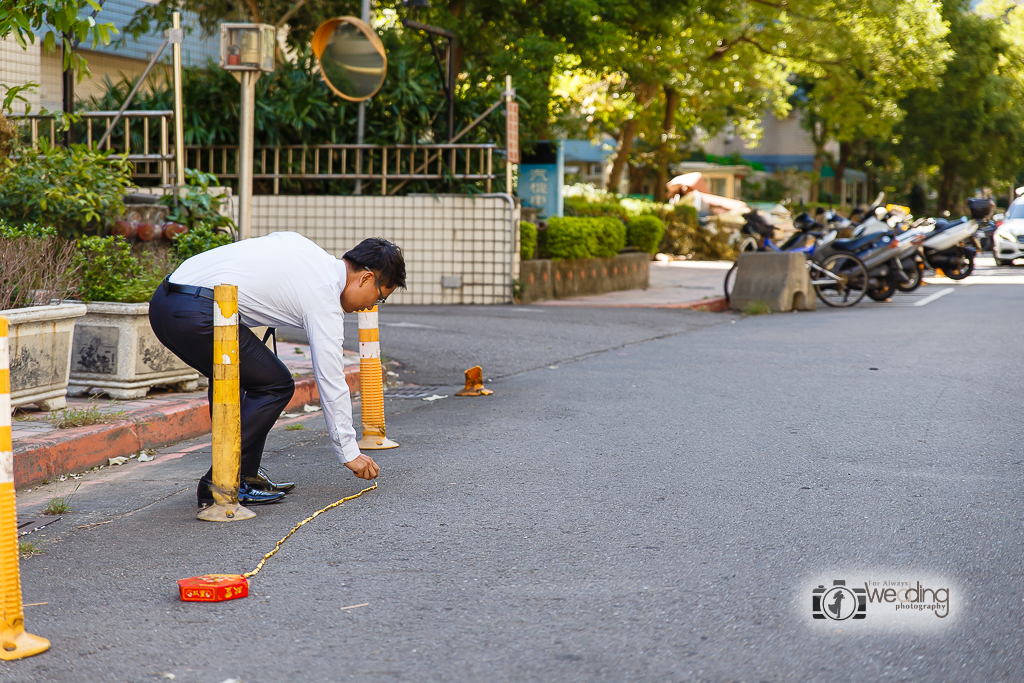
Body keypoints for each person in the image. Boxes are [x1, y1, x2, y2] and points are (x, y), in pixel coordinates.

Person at [149, 233, 406, 508]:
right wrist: (348, 451)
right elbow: (331, 378)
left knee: (241, 379)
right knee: (276, 384)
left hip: (166, 302)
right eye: (378, 297)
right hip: (196, 312)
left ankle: (240, 475)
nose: (369, 306)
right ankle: (220, 483)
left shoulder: (308, 252)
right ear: (366, 278)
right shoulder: (324, 296)